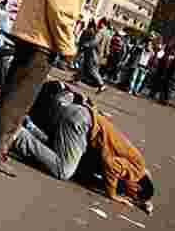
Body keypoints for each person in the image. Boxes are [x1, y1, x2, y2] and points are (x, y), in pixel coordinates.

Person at [0, 0, 123, 177]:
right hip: (42, 42)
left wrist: (32, 13)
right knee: (19, 100)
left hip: (27, 34)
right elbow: (61, 10)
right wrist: (67, 47)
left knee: (11, 92)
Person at [11, 81, 155, 211]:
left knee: (59, 154)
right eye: (131, 195)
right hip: (81, 124)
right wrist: (112, 194)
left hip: (80, 117)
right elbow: (111, 165)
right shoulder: (136, 172)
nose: (127, 194)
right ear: (137, 187)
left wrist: (142, 201)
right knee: (63, 170)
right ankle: (19, 135)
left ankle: (28, 127)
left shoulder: (139, 168)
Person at [76, 20, 106, 92]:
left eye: (99, 22)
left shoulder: (100, 32)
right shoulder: (105, 33)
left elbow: (94, 42)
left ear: (102, 23)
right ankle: (76, 78)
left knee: (92, 69)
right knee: (85, 67)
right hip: (97, 54)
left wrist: (86, 44)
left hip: (93, 54)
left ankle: (102, 84)